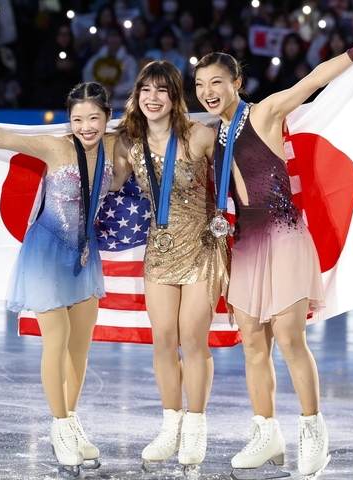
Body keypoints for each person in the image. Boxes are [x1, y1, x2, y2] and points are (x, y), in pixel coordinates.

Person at [193, 33, 353, 478]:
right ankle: (267, 434)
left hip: (284, 234)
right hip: (245, 242)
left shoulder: (264, 112)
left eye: (217, 82)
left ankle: (313, 430)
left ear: (236, 83)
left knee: (288, 339)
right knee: (252, 344)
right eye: (200, 84)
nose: (207, 91)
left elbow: (312, 80)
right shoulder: (211, 133)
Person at [0, 82, 119, 475]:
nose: (86, 126)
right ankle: (59, 427)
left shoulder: (115, 146)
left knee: (80, 347)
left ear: (107, 117)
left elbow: (157, 130)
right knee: (57, 340)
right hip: (45, 252)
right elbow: (1, 137)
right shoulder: (55, 147)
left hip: (84, 253)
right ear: (69, 120)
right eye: (77, 119)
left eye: (94, 118)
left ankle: (71, 419)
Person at [111, 60, 229, 472]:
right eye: (146, 89)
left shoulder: (199, 135)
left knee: (192, 337)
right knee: (163, 338)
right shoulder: (127, 144)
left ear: (175, 96)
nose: (153, 97)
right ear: (137, 95)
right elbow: (111, 184)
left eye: (162, 89)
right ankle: (170, 424)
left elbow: (235, 172)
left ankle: (195, 426)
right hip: (159, 250)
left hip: (202, 247)